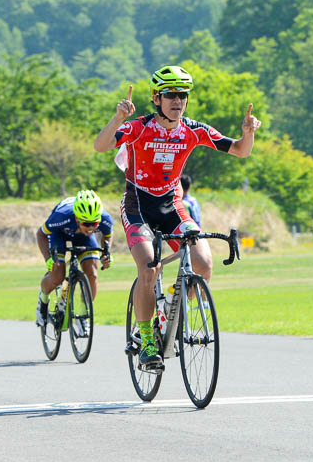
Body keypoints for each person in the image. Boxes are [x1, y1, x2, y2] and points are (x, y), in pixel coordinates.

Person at [94, 65, 261, 368]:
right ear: (156, 98)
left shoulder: (193, 130)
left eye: (182, 95)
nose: (177, 101)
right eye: (170, 94)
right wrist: (119, 117)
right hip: (138, 208)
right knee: (148, 268)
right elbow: (100, 146)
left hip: (173, 207)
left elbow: (239, 150)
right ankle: (146, 342)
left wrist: (247, 133)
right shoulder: (139, 127)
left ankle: (172, 303)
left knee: (204, 263)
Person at [35, 190, 113, 327]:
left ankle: (83, 316)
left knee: (93, 274)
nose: (90, 228)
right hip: (59, 234)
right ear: (77, 219)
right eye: (86, 224)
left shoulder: (105, 218)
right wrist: (48, 259)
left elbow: (107, 237)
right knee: (57, 276)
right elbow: (40, 235)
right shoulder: (60, 216)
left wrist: (106, 254)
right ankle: (43, 299)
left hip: (83, 238)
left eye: (94, 224)